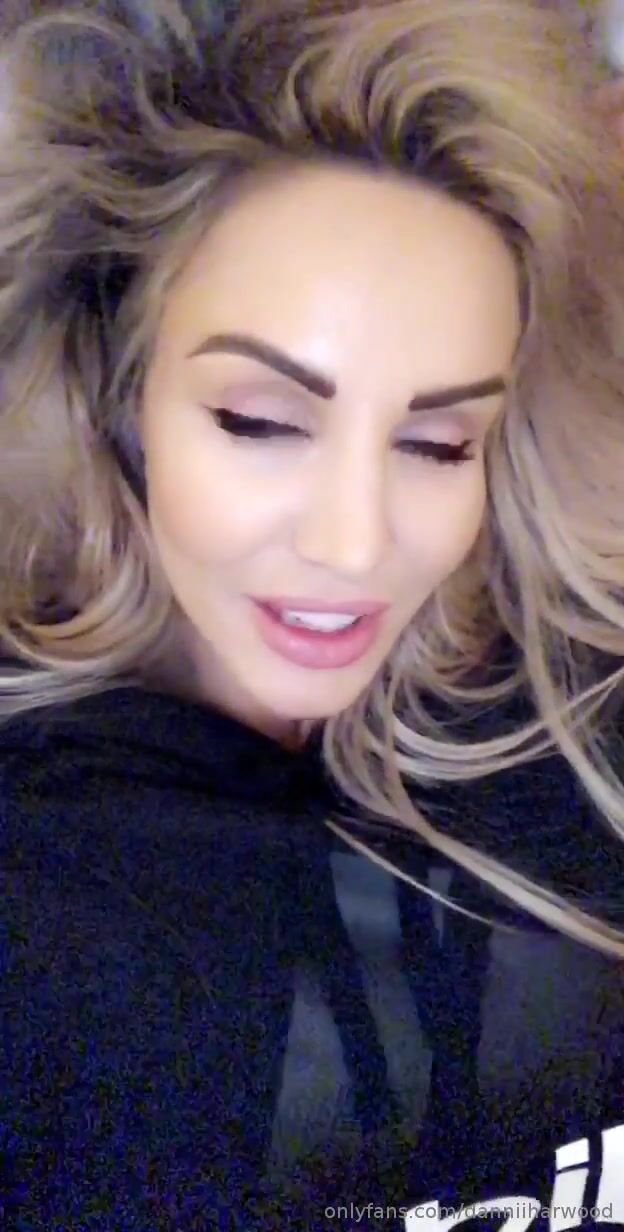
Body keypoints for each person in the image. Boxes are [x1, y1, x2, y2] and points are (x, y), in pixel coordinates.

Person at [1, 0, 624, 1228]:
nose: (353, 543)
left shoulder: (577, 710)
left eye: (437, 442)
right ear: (121, 394)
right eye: (260, 421)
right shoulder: (40, 882)